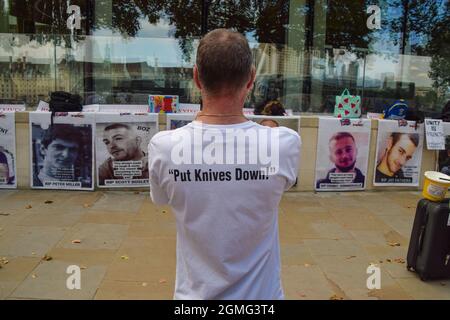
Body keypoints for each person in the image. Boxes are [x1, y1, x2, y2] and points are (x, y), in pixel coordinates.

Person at [148, 29, 301, 300]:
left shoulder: (164, 147)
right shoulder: (284, 144)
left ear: (196, 77)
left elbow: (161, 200)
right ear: (251, 77)